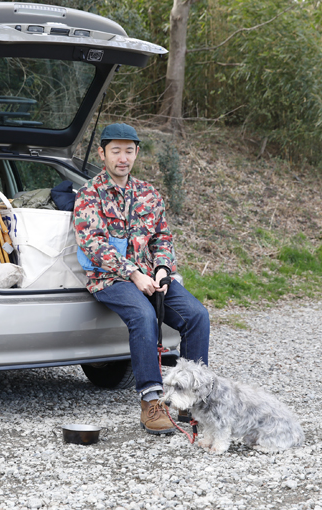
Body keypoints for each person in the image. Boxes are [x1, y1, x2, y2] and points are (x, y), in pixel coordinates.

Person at [73, 123, 210, 435]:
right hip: (109, 278)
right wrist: (133, 274)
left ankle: (193, 399)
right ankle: (152, 401)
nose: (123, 158)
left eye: (129, 151)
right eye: (116, 151)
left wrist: (162, 269)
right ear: (102, 153)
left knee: (197, 316)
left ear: (136, 153)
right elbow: (93, 245)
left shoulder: (148, 193)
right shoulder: (88, 195)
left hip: (150, 276)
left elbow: (162, 238)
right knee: (144, 315)